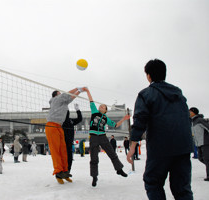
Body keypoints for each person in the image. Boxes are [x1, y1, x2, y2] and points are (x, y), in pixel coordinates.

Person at [127, 59, 193, 199]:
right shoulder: (179, 94)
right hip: (183, 146)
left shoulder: (146, 94)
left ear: (149, 76)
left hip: (160, 146)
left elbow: (140, 120)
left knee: (153, 182)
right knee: (182, 188)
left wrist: (133, 144)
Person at [83, 87, 130, 187]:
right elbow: (91, 101)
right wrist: (87, 91)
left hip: (103, 137)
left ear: (105, 110)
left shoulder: (106, 118)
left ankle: (119, 170)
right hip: (94, 137)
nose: (101, 107)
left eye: (103, 107)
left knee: (112, 153)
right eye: (100, 106)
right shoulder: (94, 112)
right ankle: (94, 177)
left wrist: (124, 119)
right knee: (94, 158)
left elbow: (115, 125)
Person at [46, 88, 84, 184]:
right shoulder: (55, 99)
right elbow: (67, 95)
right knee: (56, 151)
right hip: (51, 125)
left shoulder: (63, 104)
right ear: (55, 96)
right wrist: (78, 89)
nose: (61, 94)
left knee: (63, 151)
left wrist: (79, 93)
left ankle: (65, 172)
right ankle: (58, 172)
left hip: (59, 126)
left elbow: (69, 99)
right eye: (59, 93)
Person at [189, 107, 209, 181]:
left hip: (206, 142)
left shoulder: (200, 120)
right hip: (199, 143)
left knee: (207, 159)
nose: (188, 113)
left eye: (190, 111)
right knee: (201, 158)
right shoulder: (192, 122)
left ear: (194, 112)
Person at [62, 103, 82, 173]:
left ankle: (68, 171)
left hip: (70, 142)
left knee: (70, 158)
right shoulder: (60, 121)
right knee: (63, 158)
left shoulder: (71, 121)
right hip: (62, 143)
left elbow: (80, 119)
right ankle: (61, 171)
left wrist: (78, 110)